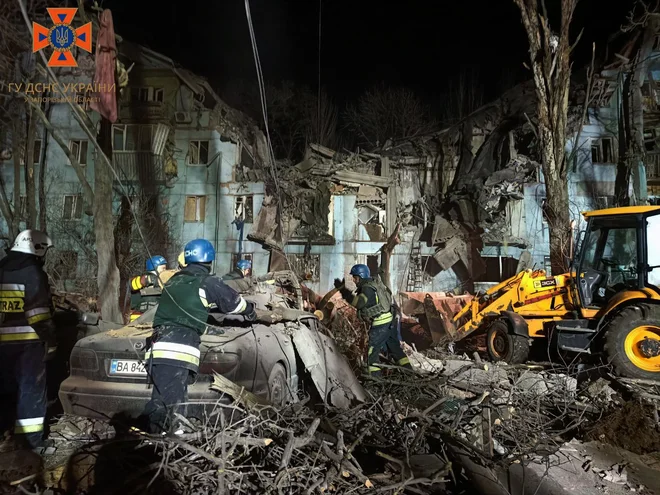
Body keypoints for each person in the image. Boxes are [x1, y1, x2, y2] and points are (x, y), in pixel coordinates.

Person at [142, 239, 258, 433]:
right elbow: (234, 303)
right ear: (209, 260)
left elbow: (187, 304)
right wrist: (251, 310)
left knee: (160, 399)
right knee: (174, 406)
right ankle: (171, 446)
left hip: (158, 345)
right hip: (179, 348)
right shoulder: (208, 282)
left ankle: (156, 441)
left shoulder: (173, 280)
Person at [0, 230, 56, 450]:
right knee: (30, 391)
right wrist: (51, 341)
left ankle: (5, 436)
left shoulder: (2, 268)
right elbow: (38, 315)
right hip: (27, 344)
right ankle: (30, 443)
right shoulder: (32, 272)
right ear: (38, 248)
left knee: (5, 391)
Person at [349, 264, 411, 376]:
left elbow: (360, 304)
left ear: (361, 276)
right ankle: (409, 372)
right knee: (395, 348)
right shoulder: (374, 284)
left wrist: (347, 296)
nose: (353, 280)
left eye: (355, 277)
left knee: (372, 351)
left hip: (380, 323)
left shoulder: (367, 288)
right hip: (389, 320)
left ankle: (375, 379)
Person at [129, 255, 167, 322]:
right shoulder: (143, 279)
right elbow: (132, 284)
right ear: (154, 267)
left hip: (154, 319)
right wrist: (151, 279)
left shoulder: (163, 281)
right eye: (163, 268)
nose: (165, 270)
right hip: (138, 319)